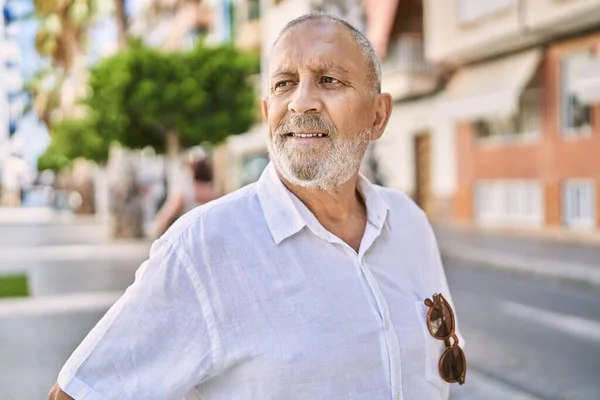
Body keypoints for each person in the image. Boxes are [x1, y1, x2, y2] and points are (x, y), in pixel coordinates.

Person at [49, 13, 465, 400]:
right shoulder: (203, 249)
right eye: (284, 83)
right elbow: (79, 392)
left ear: (378, 116)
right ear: (267, 113)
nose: (301, 102)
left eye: (329, 80)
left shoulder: (409, 222)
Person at [153, 155, 218, 237]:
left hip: (190, 235)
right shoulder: (212, 192)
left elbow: (169, 212)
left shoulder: (188, 191)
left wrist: (159, 226)